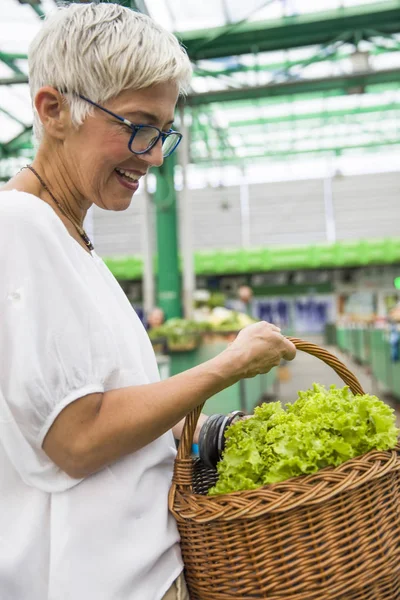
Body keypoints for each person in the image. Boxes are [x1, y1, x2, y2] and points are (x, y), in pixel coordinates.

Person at [0, 4, 296, 600]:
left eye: (163, 131)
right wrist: (228, 366)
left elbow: (92, 408)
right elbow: (77, 440)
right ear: (53, 110)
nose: (154, 154)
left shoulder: (68, 238)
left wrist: (201, 433)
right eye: (137, 125)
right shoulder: (18, 230)